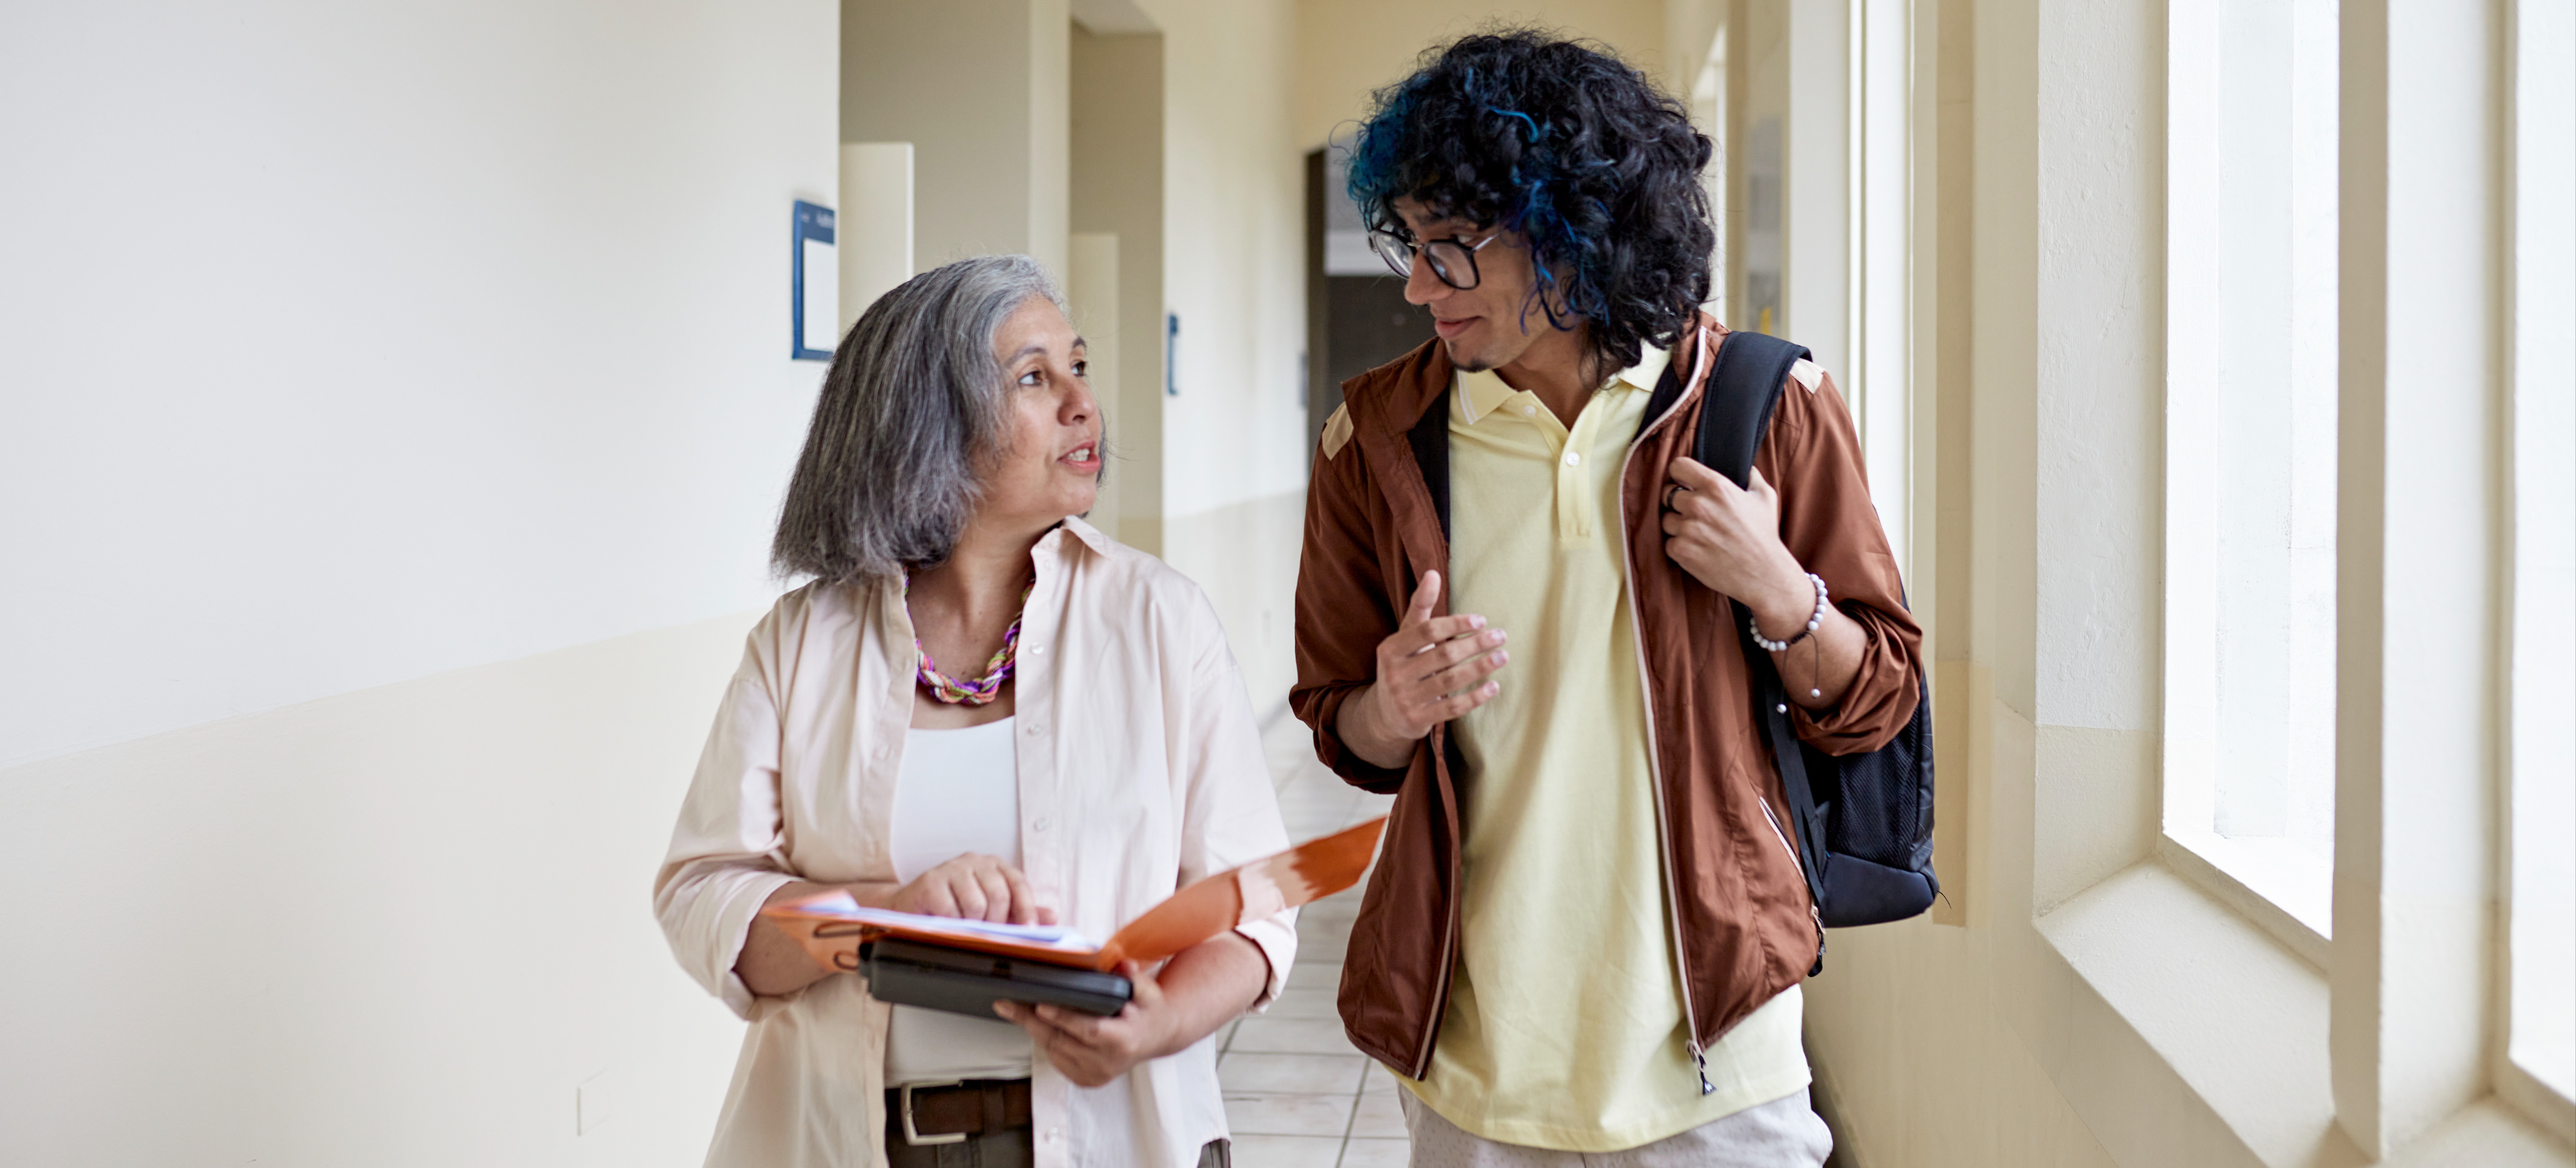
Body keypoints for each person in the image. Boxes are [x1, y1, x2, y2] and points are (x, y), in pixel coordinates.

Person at [1292, 31, 1923, 1167]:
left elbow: (1879, 699)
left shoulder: (1770, 406)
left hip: (1721, 1056)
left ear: (1576, 241)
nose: (1416, 284)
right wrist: (1388, 705)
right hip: (1476, 1061)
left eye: (1452, 249)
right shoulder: (1375, 442)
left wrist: (1781, 590)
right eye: (1412, 245)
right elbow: (1343, 729)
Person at [656, 255, 1293, 1168]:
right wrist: (891, 919)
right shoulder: (803, 643)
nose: (1083, 405)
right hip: (849, 1139)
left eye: (1079, 367)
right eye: (1034, 377)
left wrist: (1158, 1025)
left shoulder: (1161, 620)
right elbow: (705, 899)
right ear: (930, 426)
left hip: (1113, 1138)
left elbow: (1254, 905)